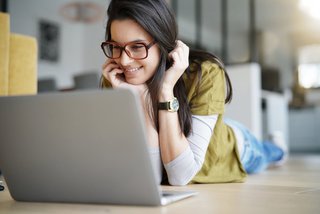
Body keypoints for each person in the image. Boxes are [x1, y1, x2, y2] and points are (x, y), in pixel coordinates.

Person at [100, 0, 287, 186]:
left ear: (163, 44)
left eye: (137, 47)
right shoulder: (117, 79)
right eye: (116, 47)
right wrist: (141, 98)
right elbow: (151, 177)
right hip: (195, 121)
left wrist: (165, 91)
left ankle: (278, 146)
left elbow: (179, 177)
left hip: (232, 146)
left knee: (269, 153)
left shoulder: (205, 73)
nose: (124, 61)